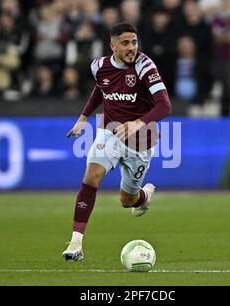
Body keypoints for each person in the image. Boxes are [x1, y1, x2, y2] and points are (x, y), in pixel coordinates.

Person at [62, 22, 172, 261]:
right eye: (125, 43)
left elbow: (165, 105)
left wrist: (138, 122)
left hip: (141, 142)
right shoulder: (99, 66)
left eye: (134, 42)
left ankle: (143, 196)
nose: (132, 47)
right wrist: (82, 119)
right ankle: (76, 243)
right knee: (91, 177)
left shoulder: (145, 67)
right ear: (113, 46)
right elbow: (100, 89)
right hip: (110, 132)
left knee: (127, 200)